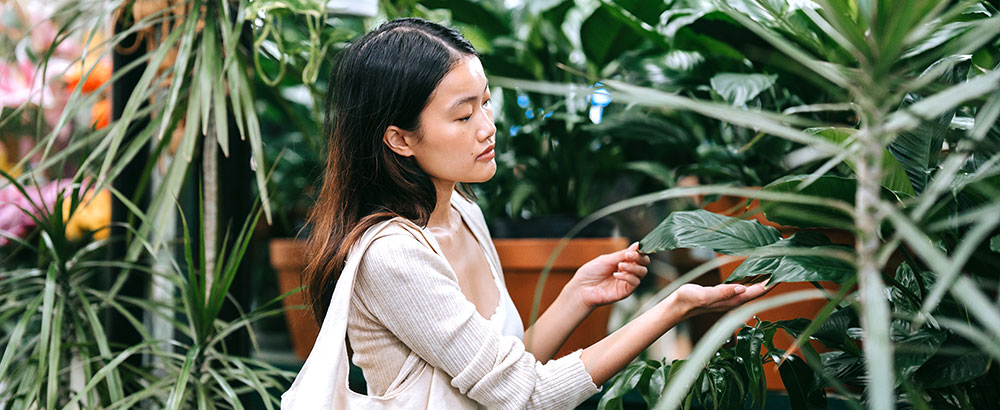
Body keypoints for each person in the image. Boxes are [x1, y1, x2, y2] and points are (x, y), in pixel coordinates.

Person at [286, 17, 768, 409]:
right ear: (400, 139)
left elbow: (507, 372)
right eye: (463, 115)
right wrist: (673, 308)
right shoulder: (393, 256)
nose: (487, 128)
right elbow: (526, 396)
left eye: (486, 103)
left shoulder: (462, 212)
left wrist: (577, 295)